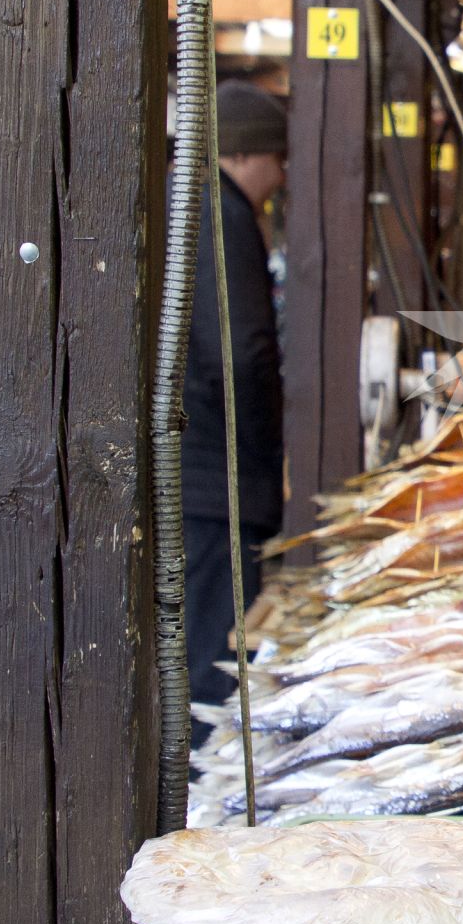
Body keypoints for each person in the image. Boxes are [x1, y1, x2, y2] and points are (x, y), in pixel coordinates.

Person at [184, 81, 286, 731]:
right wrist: (266, 453)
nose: (280, 176)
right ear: (249, 154)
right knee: (209, 652)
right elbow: (242, 351)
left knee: (201, 638)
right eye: (279, 158)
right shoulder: (221, 214)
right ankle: (203, 803)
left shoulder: (193, 206)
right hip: (214, 474)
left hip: (202, 468)